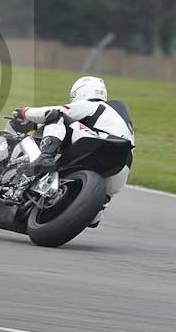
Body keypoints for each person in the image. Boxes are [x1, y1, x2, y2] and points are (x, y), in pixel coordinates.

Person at [12, 76, 134, 227]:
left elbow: (53, 111)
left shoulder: (92, 105)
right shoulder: (118, 118)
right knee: (96, 214)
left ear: (79, 93)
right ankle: (98, 206)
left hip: (98, 142)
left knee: (57, 117)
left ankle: (46, 156)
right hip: (121, 164)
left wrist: (24, 112)